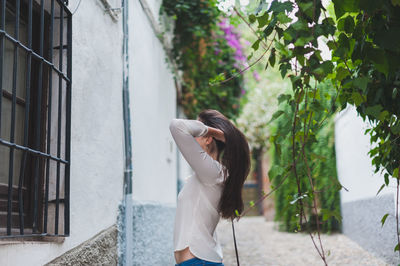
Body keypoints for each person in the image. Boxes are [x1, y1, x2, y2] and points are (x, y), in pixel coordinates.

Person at [169, 109, 250, 266]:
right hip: (198, 261)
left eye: (198, 128)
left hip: (199, 261)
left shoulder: (213, 173)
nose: (193, 135)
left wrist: (213, 131)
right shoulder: (212, 174)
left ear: (208, 139)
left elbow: (176, 126)